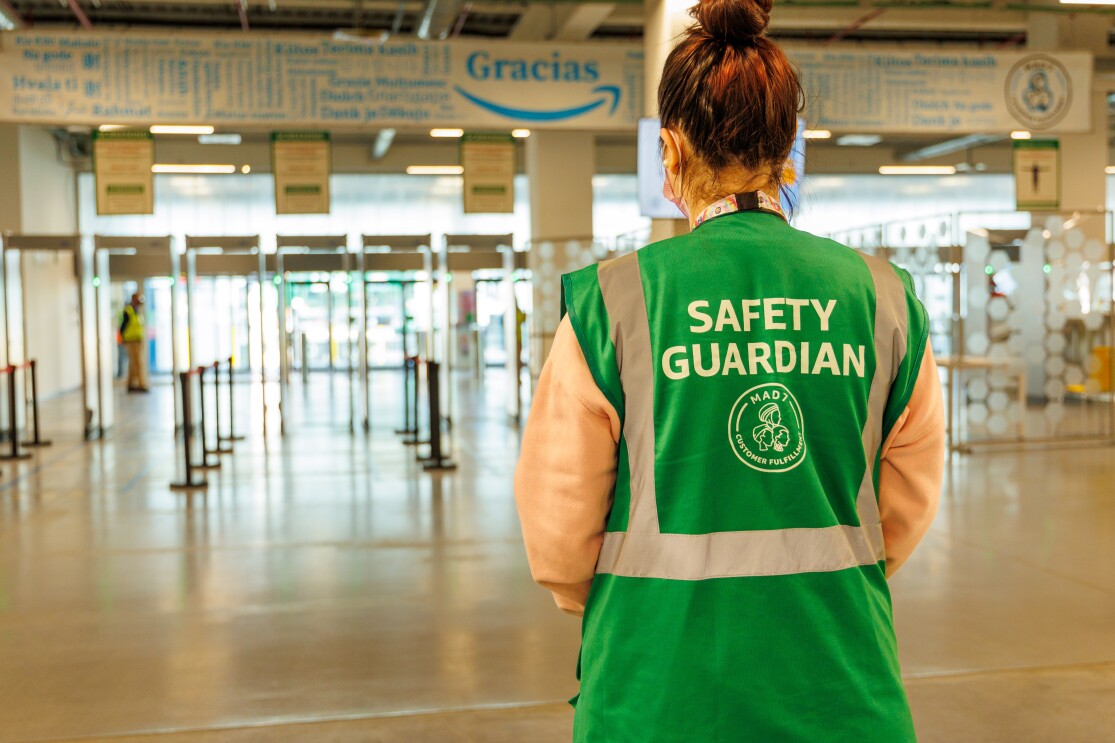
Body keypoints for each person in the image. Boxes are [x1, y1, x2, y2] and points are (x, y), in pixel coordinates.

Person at [514, 0, 945, 740]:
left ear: (671, 153)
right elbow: (903, 510)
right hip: (839, 690)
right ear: (788, 154)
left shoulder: (611, 301)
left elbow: (557, 537)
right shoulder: (881, 296)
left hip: (655, 692)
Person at [120, 292, 149, 392]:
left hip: (138, 340)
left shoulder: (137, 311)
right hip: (132, 341)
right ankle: (141, 384)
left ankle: (131, 384)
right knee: (138, 363)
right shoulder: (129, 310)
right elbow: (123, 326)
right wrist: (123, 338)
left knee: (133, 363)